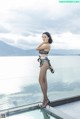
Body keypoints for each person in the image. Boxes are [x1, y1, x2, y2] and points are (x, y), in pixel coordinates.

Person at [36, 32, 54, 108]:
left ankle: (45, 99)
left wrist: (42, 42)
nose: (43, 38)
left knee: (40, 80)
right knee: (44, 80)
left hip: (45, 63)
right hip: (43, 62)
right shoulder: (45, 44)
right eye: (42, 37)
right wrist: (43, 42)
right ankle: (45, 99)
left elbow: (36, 48)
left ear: (48, 37)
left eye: (45, 37)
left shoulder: (46, 44)